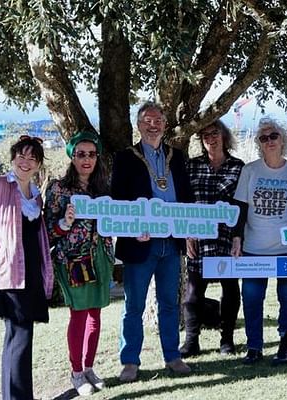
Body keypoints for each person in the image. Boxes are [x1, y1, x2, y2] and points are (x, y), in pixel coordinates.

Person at [111, 102, 193, 382]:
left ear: (165, 125)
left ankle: (172, 356)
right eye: (147, 120)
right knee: (134, 305)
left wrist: (190, 230)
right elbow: (118, 199)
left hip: (171, 243)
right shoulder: (125, 157)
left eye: (158, 120)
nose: (153, 125)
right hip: (140, 242)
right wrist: (132, 227)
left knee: (170, 303)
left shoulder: (177, 156)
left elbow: (187, 197)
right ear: (139, 125)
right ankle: (130, 362)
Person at [0, 135, 53, 400]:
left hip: (30, 275)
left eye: (32, 158)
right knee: (20, 335)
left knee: (19, 338)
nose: (26, 162)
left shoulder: (36, 196)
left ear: (38, 164)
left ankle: (16, 396)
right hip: (7, 274)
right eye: (22, 156)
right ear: (13, 157)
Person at [231, 117, 287, 366]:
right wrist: (237, 238)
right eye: (263, 138)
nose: (269, 141)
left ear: (283, 139)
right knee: (252, 298)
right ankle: (254, 347)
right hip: (253, 249)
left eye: (273, 136)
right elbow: (240, 208)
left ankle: (286, 343)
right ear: (259, 144)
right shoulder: (250, 170)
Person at [44, 131, 114, 396]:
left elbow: (119, 220)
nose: (86, 159)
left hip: (101, 256)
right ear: (72, 157)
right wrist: (65, 222)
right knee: (80, 314)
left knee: (95, 313)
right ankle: (76, 372)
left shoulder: (103, 188)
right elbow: (48, 231)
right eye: (81, 154)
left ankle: (89, 367)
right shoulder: (58, 188)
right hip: (75, 259)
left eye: (91, 154)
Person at [179, 120, 245, 357]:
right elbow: (183, 203)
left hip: (227, 237)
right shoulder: (192, 166)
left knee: (230, 289)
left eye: (215, 133)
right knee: (193, 292)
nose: (210, 138)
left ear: (224, 136)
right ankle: (191, 342)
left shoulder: (238, 166)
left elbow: (241, 205)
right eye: (205, 135)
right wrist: (186, 232)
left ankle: (227, 340)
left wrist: (238, 237)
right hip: (198, 237)